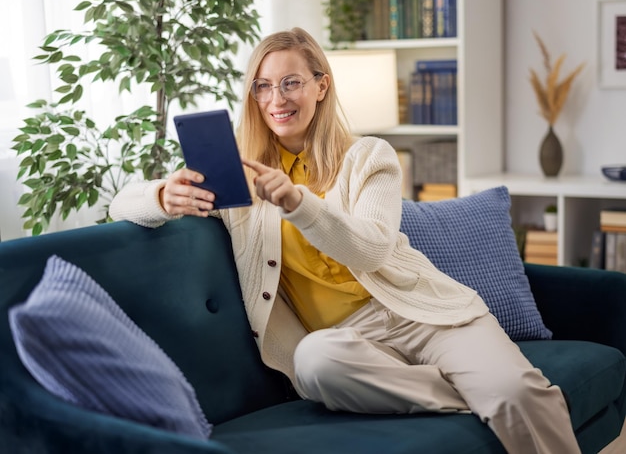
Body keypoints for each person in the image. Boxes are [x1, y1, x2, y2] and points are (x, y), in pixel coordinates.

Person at [109, 27, 581, 454]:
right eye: (263, 85)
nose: (277, 97)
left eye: (291, 82)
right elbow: (119, 207)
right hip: (348, 341)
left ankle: (496, 390)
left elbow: (372, 248)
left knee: (518, 393)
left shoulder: (368, 156)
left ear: (321, 85)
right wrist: (161, 194)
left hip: (420, 314)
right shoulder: (236, 176)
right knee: (314, 363)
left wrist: (298, 202)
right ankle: (476, 393)